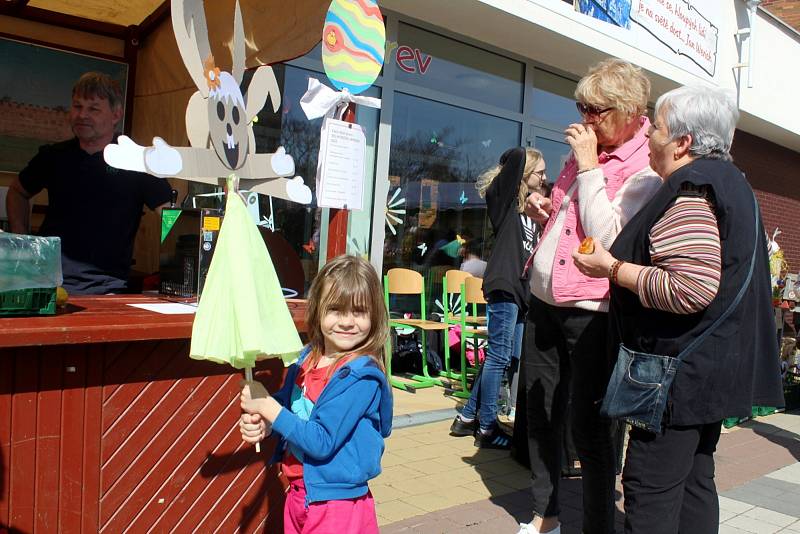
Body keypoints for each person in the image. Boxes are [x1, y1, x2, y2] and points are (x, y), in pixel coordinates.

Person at [572, 85, 784, 534]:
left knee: (650, 489)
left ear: (683, 142)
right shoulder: (735, 185)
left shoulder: (690, 189)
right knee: (693, 484)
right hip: (708, 374)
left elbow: (689, 288)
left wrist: (611, 267)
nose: (649, 135)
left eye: (658, 128)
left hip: (677, 378)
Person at [517, 59, 662, 534]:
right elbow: (574, 228)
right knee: (540, 415)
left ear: (628, 110)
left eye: (594, 109)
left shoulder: (643, 163)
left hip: (593, 310)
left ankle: (598, 525)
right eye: (580, 106)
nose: (584, 117)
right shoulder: (591, 147)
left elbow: (611, 239)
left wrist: (587, 166)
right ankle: (547, 513)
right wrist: (548, 214)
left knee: (592, 426)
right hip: (546, 299)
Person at [239, 254, 392, 534]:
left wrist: (268, 407)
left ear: (375, 315)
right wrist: (265, 424)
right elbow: (289, 409)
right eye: (335, 309)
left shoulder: (360, 376)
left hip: (337, 504)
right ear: (318, 310)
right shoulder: (307, 358)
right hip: (300, 493)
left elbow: (321, 440)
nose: (347, 321)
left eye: (358, 311)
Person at [6, 72, 172, 294]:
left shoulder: (139, 162)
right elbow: (18, 191)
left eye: (93, 108)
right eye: (77, 106)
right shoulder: (53, 156)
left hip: (106, 288)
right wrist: (22, 239)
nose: (82, 115)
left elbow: (172, 215)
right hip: (44, 282)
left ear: (116, 114)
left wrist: (176, 268)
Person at [449, 147, 545, 448]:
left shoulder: (530, 212)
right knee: (500, 357)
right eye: (539, 172)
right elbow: (516, 157)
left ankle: (466, 418)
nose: (544, 177)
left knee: (503, 356)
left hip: (520, 294)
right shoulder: (503, 202)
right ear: (524, 173)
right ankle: (487, 428)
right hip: (504, 287)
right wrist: (529, 152)